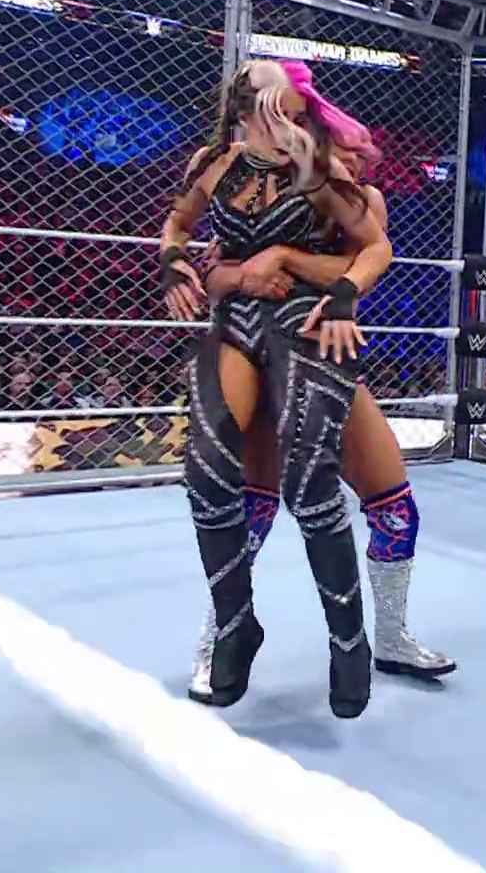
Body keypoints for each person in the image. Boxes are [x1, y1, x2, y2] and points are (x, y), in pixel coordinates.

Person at [179, 64, 454, 702]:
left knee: (395, 507)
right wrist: (241, 273)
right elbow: (216, 276)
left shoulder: (355, 204)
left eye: (360, 157)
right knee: (251, 507)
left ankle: (391, 636)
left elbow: (362, 266)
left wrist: (291, 263)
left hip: (324, 364)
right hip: (254, 356)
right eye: (343, 150)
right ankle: (218, 637)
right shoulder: (256, 184)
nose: (352, 163)